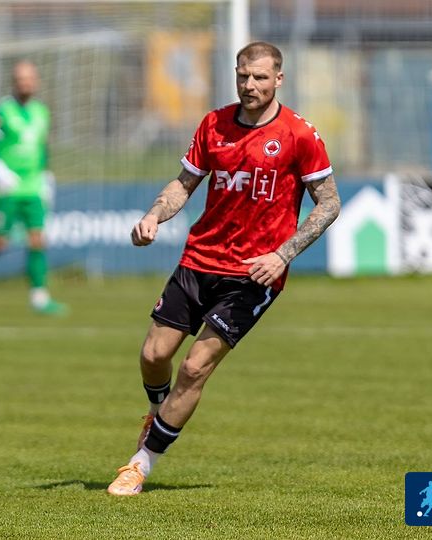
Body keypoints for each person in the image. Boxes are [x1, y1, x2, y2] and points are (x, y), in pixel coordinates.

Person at [106, 42, 341, 496]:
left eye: (260, 77)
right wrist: (154, 215)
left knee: (194, 368)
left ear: (278, 79)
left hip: (253, 274)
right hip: (199, 259)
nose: (250, 85)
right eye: (242, 76)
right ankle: (157, 413)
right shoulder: (213, 124)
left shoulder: (299, 134)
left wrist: (282, 255)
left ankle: (140, 464)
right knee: (154, 356)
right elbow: (184, 184)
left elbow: (328, 203)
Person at [0, 60, 66, 316]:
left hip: (33, 188)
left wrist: (46, 176)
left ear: (36, 81)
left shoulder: (42, 112)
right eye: (20, 79)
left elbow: (43, 148)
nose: (25, 83)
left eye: (29, 79)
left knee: (37, 240)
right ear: (13, 82)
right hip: (7, 189)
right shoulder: (1, 112)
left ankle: (39, 297)